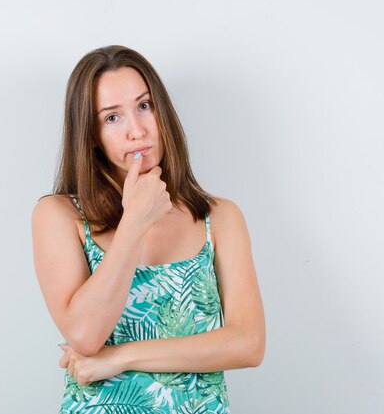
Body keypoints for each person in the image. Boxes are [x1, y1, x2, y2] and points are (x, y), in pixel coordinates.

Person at [31, 45, 265, 414]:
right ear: (91, 134)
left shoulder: (219, 218)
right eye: (112, 118)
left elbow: (249, 344)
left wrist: (121, 356)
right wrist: (135, 221)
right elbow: (85, 335)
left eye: (144, 106)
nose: (137, 131)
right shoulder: (59, 215)